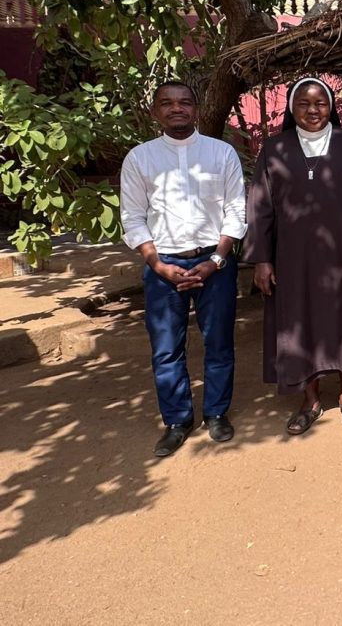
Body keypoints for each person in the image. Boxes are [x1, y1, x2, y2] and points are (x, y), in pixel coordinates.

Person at [119, 81, 247, 458]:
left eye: (185, 102)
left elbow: (235, 211)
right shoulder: (139, 159)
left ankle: (216, 413)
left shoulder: (221, 153)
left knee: (219, 342)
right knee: (166, 348)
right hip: (163, 265)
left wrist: (216, 260)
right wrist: (157, 263)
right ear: (155, 111)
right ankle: (177, 420)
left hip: (215, 263)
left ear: (197, 109)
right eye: (167, 103)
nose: (177, 109)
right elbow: (133, 216)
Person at [243, 77, 342, 435]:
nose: (313, 110)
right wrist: (262, 259)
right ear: (291, 108)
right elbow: (260, 207)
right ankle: (310, 399)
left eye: (321, 103)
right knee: (298, 321)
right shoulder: (275, 149)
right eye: (304, 104)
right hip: (291, 257)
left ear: (332, 107)